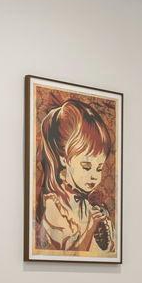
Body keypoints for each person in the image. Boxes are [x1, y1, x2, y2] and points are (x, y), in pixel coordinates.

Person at [33, 96, 116, 256]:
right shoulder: (53, 205)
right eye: (86, 166)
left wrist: (103, 227)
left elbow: (107, 253)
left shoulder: (88, 206)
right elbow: (71, 254)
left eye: (99, 168)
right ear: (64, 159)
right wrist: (92, 226)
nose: (94, 176)